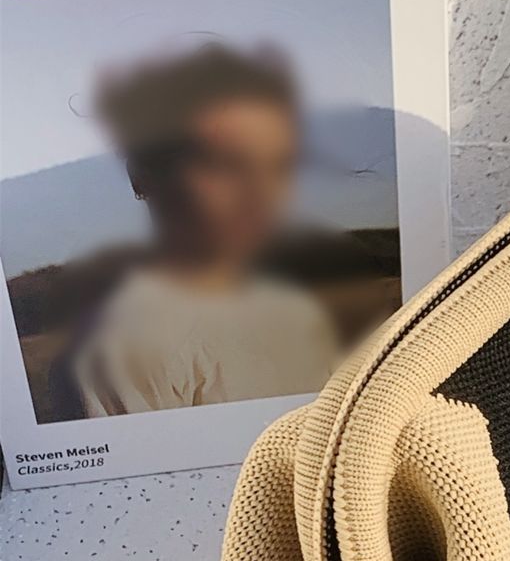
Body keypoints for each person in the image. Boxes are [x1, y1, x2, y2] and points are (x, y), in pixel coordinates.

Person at [72, 43, 336, 417]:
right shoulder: (127, 343)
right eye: (222, 162)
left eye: (272, 163)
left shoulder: (296, 312)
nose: (258, 190)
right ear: (145, 177)